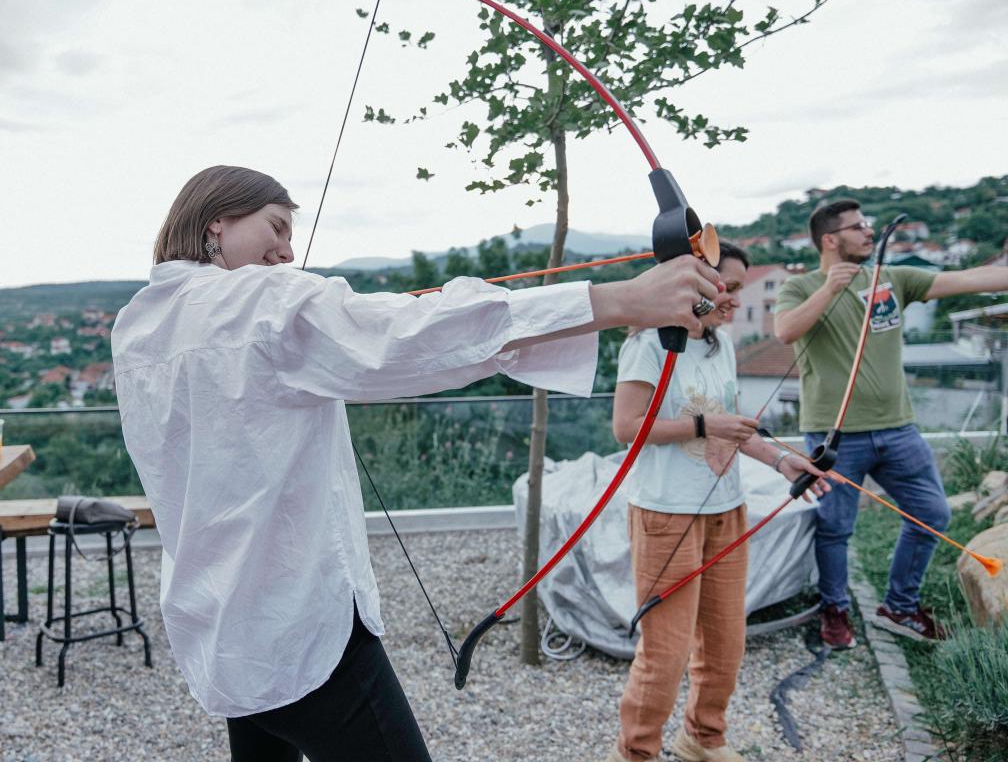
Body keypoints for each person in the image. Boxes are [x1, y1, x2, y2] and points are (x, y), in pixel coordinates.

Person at [111, 164, 727, 762]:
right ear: (218, 222)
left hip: (217, 614)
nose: (286, 252)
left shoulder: (138, 322)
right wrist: (619, 300)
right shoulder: (259, 301)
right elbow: (405, 334)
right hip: (296, 619)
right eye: (275, 228)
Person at [606, 243, 828, 762]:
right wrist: (706, 426)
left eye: (740, 289)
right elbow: (626, 428)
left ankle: (702, 741)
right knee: (666, 654)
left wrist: (780, 461)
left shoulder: (720, 345)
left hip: (727, 509)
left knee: (725, 643)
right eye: (726, 287)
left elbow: (731, 423)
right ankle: (635, 753)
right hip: (666, 512)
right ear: (696, 285)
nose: (733, 299)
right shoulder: (649, 344)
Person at [774, 199, 1008, 648]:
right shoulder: (800, 286)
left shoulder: (893, 278)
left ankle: (899, 606)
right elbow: (785, 331)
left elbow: (970, 279)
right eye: (858, 226)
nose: (868, 232)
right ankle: (835, 609)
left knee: (932, 513)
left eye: (868, 225)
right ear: (830, 239)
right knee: (836, 526)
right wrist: (829, 289)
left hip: (898, 427)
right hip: (834, 431)